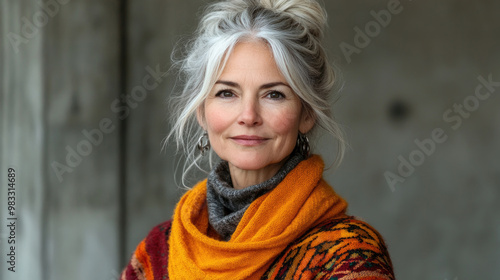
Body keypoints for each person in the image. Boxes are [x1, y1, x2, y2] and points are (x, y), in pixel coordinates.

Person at [121, 0, 394, 279]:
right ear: (202, 110)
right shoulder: (159, 252)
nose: (248, 116)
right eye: (227, 93)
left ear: (307, 113)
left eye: (273, 94)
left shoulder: (348, 256)